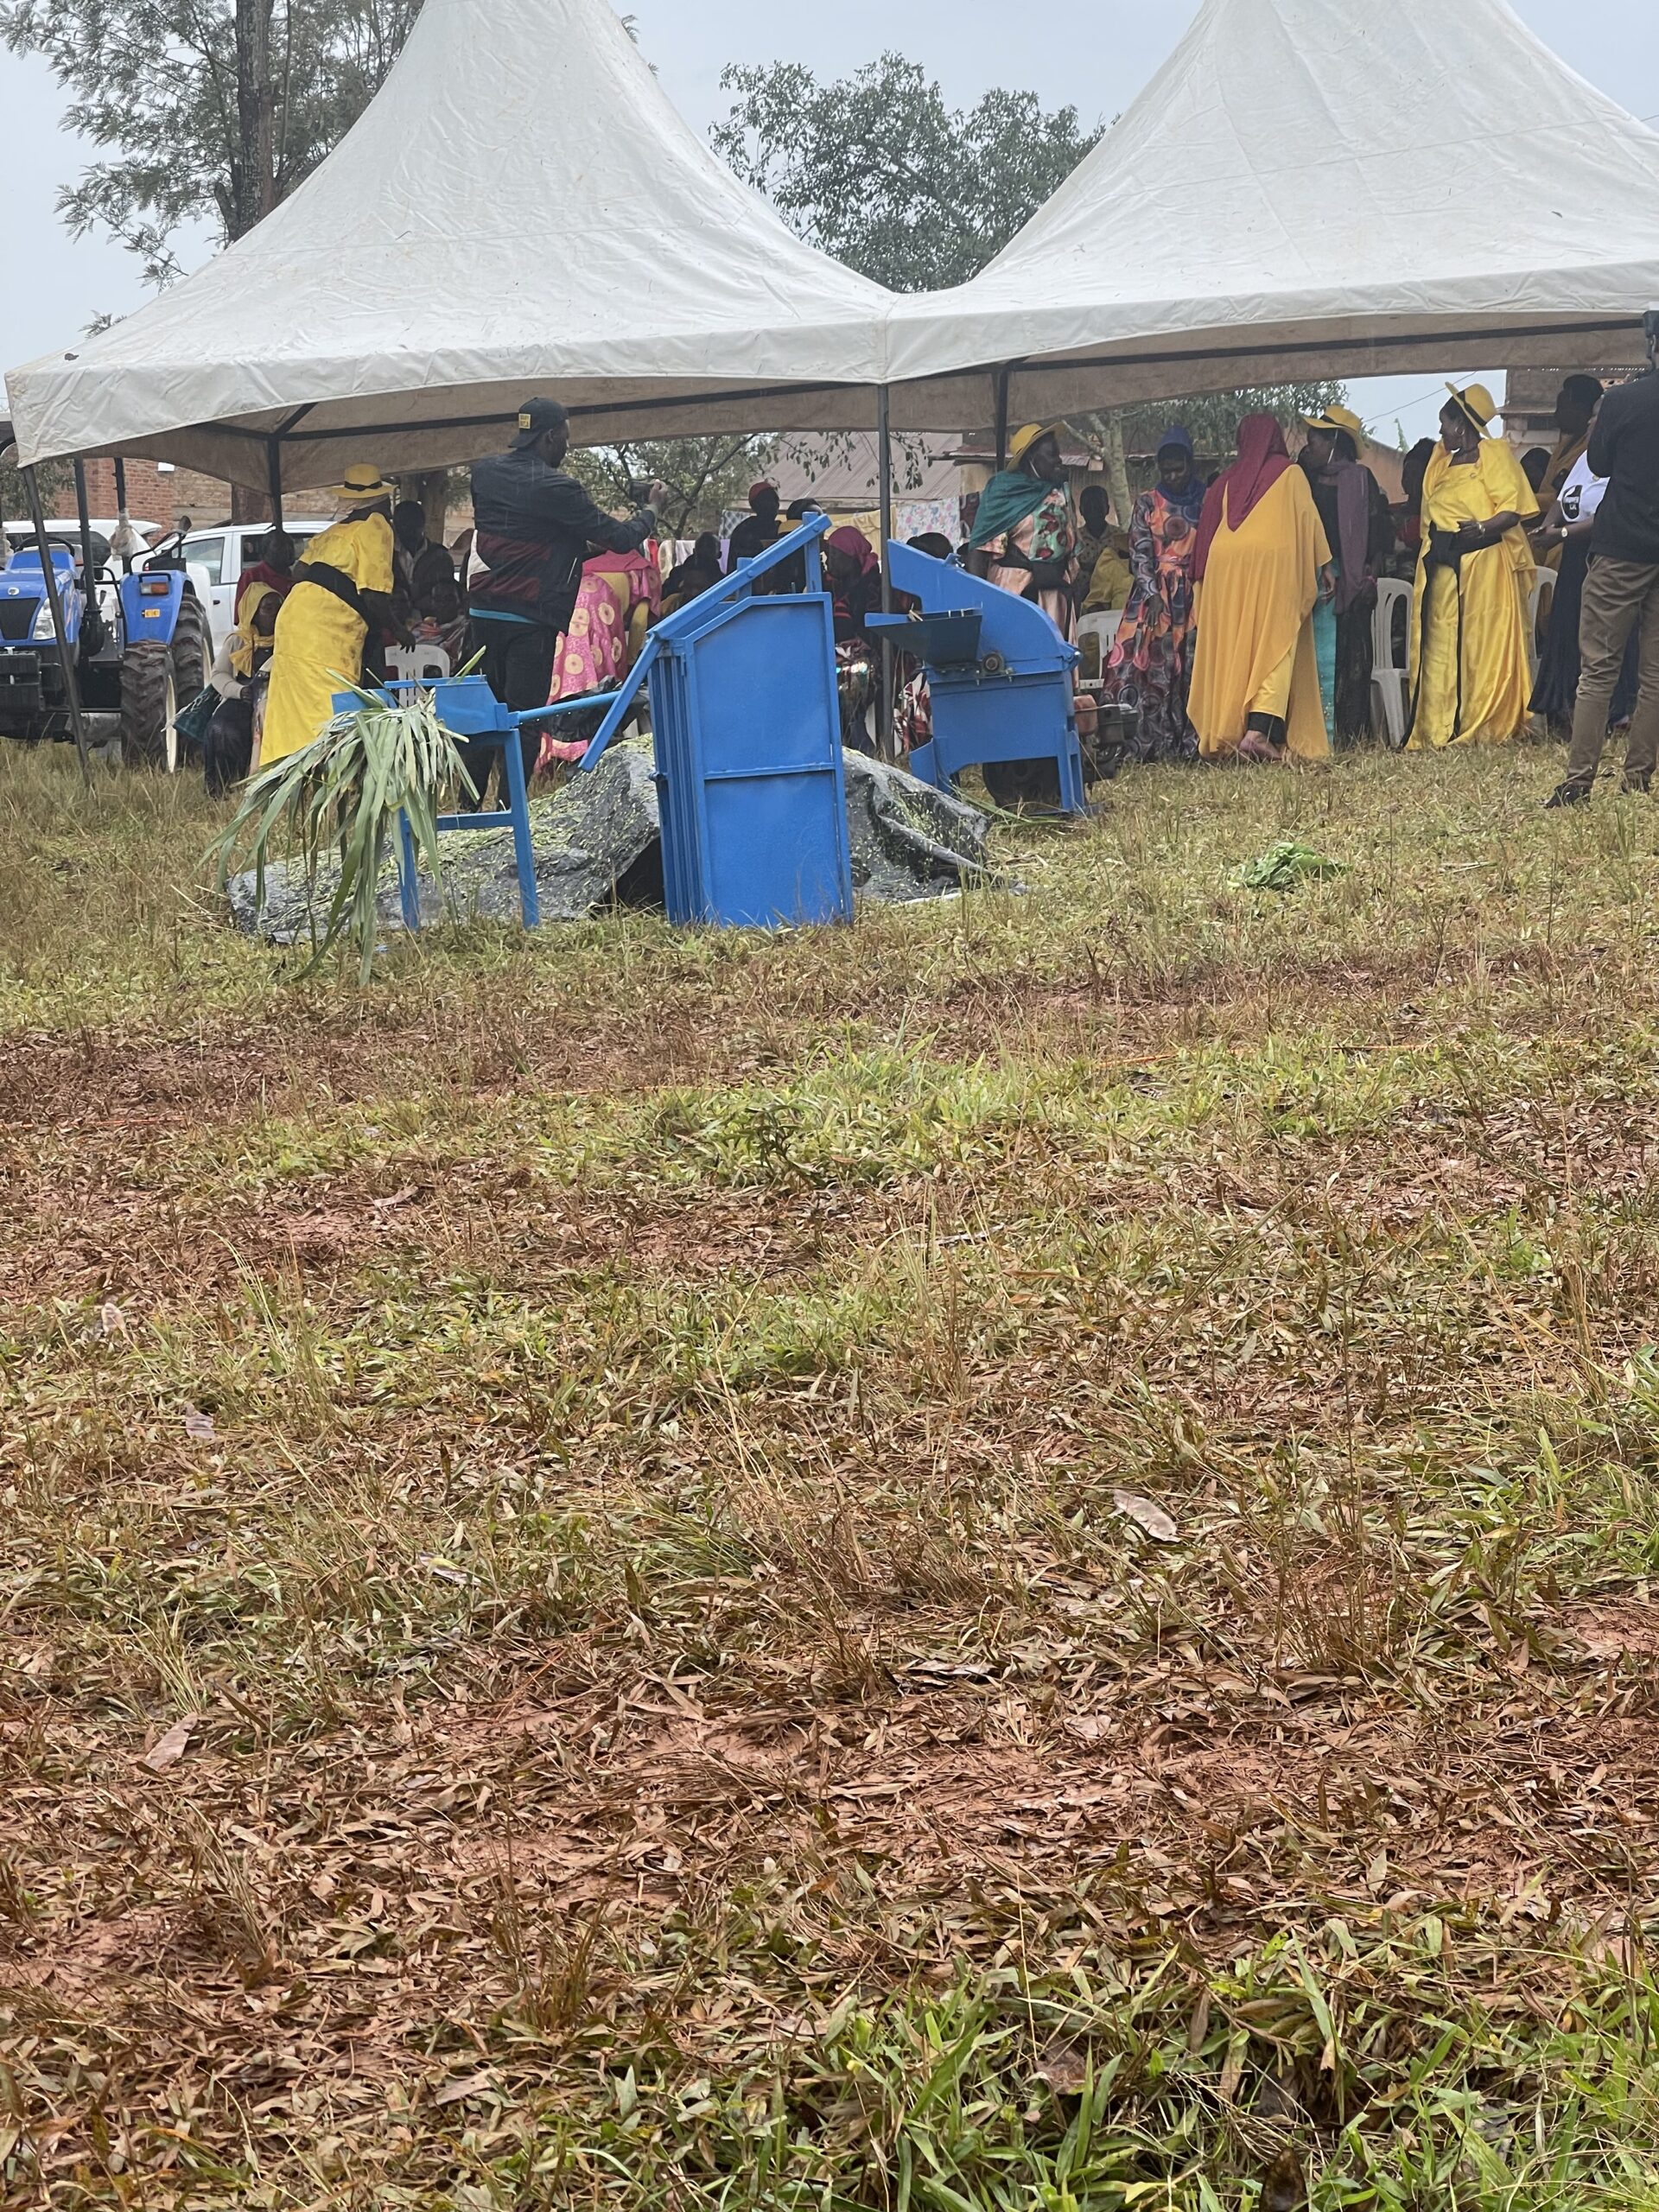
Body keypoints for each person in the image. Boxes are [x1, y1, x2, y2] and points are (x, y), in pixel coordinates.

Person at [468, 397, 660, 797]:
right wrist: (652, 511)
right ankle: (510, 814)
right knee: (524, 719)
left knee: (482, 713)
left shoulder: (484, 474)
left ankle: (466, 808)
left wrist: (570, 540)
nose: (567, 447)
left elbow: (526, 533)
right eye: (566, 439)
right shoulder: (558, 488)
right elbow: (621, 538)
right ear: (551, 436)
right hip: (529, 618)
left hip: (483, 612)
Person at [1548, 315, 1659, 804]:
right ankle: (1637, 781)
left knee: (1598, 669)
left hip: (1619, 548)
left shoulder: (1621, 401)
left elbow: (1598, 466)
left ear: (1653, 346)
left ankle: (1578, 783)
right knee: (1655, 673)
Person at [1188, 415, 1334, 765]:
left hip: (1225, 566)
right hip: (1274, 563)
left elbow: (1207, 532)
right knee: (1277, 639)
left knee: (1238, 643)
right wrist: (1326, 566)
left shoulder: (1225, 481)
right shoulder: (1290, 473)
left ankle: (1227, 730)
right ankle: (1257, 732)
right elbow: (1309, 520)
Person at [1406, 385, 1538, 751]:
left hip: (1483, 567)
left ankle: (1484, 723)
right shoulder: (1439, 461)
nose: (1441, 432)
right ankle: (1436, 727)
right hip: (1440, 566)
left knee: (1481, 643)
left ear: (1461, 427)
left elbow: (1512, 511)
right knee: (1440, 643)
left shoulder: (1493, 455)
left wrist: (1482, 527)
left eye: (1445, 424)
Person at [260, 464, 406, 766]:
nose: (389, 510)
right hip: (324, 626)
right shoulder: (376, 525)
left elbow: (299, 572)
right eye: (386, 501)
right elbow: (373, 595)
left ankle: (291, 771)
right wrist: (399, 629)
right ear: (377, 502)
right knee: (330, 702)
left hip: (294, 617)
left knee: (294, 705)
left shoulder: (335, 531)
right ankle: (331, 773)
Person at [1100, 426, 1205, 763]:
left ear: (1191, 464)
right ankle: (1146, 745)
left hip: (1193, 596)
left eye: (1180, 468)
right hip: (1154, 597)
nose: (1173, 476)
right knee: (1143, 669)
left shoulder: (1207, 500)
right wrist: (1151, 593)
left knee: (1190, 667)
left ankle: (1188, 743)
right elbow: (1140, 553)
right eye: (1166, 470)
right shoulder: (1147, 502)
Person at [1530, 430, 1639, 741]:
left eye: (1598, 416)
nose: (1593, 422)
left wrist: (1562, 535)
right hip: (1574, 558)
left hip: (1605, 552)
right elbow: (1565, 498)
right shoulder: (1585, 458)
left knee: (1604, 634)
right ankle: (1565, 710)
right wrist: (1549, 525)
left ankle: (1615, 715)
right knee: (1569, 630)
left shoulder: (1626, 458)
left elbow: (1610, 515)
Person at [1299, 404, 1395, 743]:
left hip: (1353, 582)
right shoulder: (1303, 478)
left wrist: (1368, 577)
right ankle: (1314, 732)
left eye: (1317, 439)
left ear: (1335, 442)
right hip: (1312, 579)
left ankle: (1349, 733)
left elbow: (1381, 531)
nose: (1310, 444)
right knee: (1314, 658)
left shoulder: (1361, 479)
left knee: (1351, 657)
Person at [964, 423, 1077, 636]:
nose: (1059, 460)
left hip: (1053, 595)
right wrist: (977, 606)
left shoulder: (1058, 491)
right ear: (1032, 457)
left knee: (1055, 658)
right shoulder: (1003, 491)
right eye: (1053, 454)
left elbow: (1069, 544)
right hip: (1015, 593)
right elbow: (980, 549)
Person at [1534, 376, 1604, 561]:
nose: (1556, 415)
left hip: (1573, 541)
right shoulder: (1568, 449)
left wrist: (1522, 503)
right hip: (1549, 533)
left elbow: (1578, 502)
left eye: (1562, 408)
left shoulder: (1597, 455)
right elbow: (1560, 499)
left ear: (1581, 409)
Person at [823, 525, 880, 751]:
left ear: (850, 555)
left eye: (834, 554)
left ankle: (860, 745)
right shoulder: (838, 587)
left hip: (871, 663)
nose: (829, 561)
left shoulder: (872, 588)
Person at [391, 500, 458, 621]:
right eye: (401, 525)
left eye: (411, 525)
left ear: (422, 524)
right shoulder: (387, 556)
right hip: (394, 625)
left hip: (432, 626)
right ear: (395, 526)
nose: (406, 530)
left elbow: (447, 597)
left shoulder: (440, 558)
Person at [727, 481, 784, 573]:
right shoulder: (744, 530)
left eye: (775, 500)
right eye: (767, 500)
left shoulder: (781, 528)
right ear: (755, 505)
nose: (773, 505)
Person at [660, 532, 725, 613]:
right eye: (688, 587)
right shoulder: (671, 602)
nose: (693, 593)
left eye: (699, 588)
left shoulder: (724, 586)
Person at [1073, 484, 1113, 612]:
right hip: (1081, 601)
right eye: (1089, 507)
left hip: (1113, 601)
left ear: (1107, 509)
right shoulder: (1074, 538)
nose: (1094, 511)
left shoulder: (1119, 537)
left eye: (1097, 506)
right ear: (1081, 510)